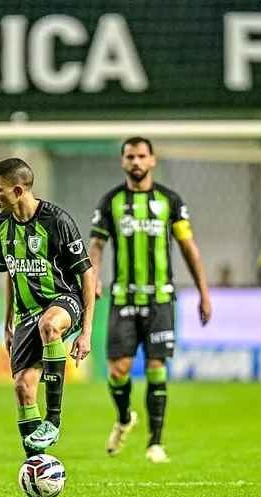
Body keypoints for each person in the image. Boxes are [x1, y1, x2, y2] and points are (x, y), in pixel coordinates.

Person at [88, 137, 212, 464]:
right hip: (122, 298)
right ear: (123, 161)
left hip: (160, 300)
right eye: (130, 156)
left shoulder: (169, 201)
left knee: (157, 366)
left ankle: (155, 443)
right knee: (119, 369)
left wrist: (203, 292)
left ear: (152, 160)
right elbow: (97, 246)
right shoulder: (111, 201)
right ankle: (124, 417)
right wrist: (93, 277)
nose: (136, 162)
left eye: (142, 156)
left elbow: (188, 247)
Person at [0, 157, 96, 457]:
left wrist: (86, 332)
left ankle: (54, 418)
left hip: (64, 300)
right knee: (23, 388)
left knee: (49, 325)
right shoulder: (1, 225)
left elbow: (87, 274)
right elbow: (11, 272)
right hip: (26, 314)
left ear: (19, 190)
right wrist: (8, 321)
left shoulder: (57, 221)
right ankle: (38, 465)